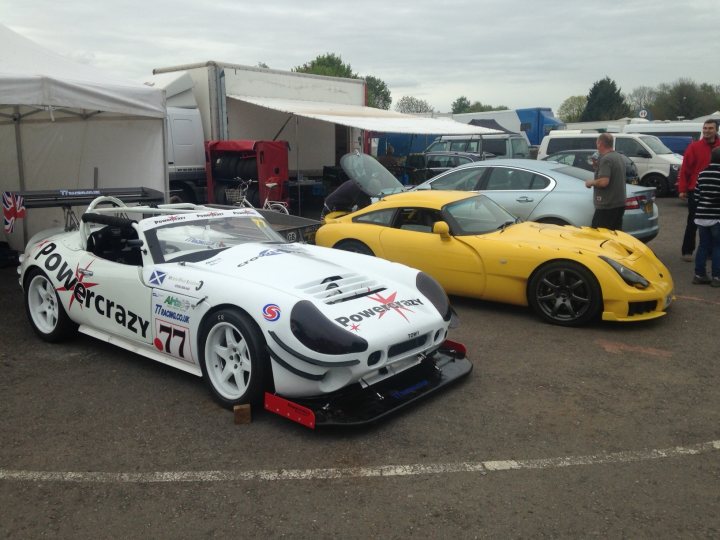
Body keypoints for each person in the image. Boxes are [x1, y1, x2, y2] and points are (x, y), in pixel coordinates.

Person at [678, 118, 720, 261]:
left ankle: (710, 252)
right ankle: (687, 250)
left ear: (716, 130)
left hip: (717, 190)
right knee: (693, 221)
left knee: (715, 223)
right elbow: (685, 169)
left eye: (710, 128)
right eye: (705, 128)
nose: (707, 131)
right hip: (696, 189)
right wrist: (682, 189)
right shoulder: (694, 147)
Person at [584, 133, 627, 230]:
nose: (597, 146)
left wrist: (590, 182)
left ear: (600, 144)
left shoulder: (606, 159)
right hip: (619, 203)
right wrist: (597, 167)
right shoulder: (619, 157)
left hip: (607, 204)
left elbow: (604, 182)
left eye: (597, 144)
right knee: (614, 234)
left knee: (598, 235)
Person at [692, 146, 720, 286]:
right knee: (717, 247)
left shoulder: (702, 173)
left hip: (701, 216)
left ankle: (699, 274)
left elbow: (696, 195)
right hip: (717, 217)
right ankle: (717, 277)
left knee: (703, 245)